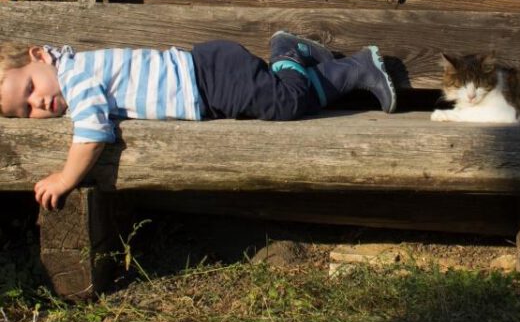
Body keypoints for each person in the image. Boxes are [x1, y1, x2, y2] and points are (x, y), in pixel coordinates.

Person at [0, 31, 396, 210]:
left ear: (39, 56)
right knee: (288, 102)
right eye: (27, 110)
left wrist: (64, 178)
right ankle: (335, 68)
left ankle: (308, 56)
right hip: (208, 88)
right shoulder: (71, 77)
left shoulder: (76, 76)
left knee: (287, 103)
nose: (40, 102)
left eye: (31, 88)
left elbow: (91, 134)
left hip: (209, 77)